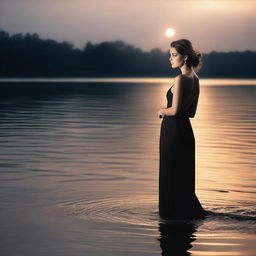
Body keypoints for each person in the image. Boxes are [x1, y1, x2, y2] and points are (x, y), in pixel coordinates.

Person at [158, 39, 205, 219]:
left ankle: (171, 216)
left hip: (173, 133)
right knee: (182, 178)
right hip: (186, 133)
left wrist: (161, 110)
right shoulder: (195, 78)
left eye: (174, 55)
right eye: (170, 55)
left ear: (185, 57)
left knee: (171, 175)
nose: (170, 59)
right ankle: (185, 215)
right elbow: (191, 113)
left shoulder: (180, 79)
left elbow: (175, 110)